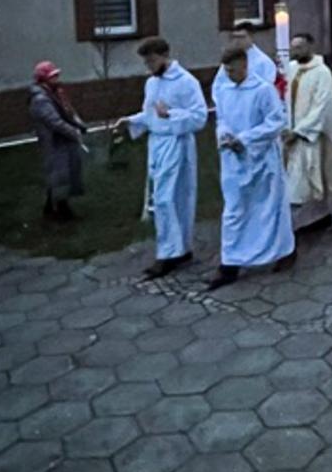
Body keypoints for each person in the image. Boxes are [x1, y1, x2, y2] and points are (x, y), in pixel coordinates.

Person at [117, 37, 208, 278]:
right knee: (165, 199)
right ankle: (181, 249)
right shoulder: (151, 84)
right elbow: (150, 114)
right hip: (157, 144)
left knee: (168, 199)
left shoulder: (187, 82)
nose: (148, 66)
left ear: (165, 55)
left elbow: (200, 117)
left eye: (152, 60)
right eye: (146, 62)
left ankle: (168, 254)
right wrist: (132, 121)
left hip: (177, 145)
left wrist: (172, 115)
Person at [208, 45, 296, 290]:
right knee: (234, 211)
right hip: (234, 161)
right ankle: (230, 263)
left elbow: (277, 121)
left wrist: (245, 139)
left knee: (269, 209)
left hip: (262, 159)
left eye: (233, 70)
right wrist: (224, 136)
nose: (229, 74)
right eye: (225, 70)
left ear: (245, 66)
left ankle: (283, 251)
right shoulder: (225, 90)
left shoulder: (263, 90)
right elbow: (222, 118)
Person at [285, 33, 332, 231]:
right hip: (291, 130)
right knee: (303, 178)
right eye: (293, 47)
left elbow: (321, 105)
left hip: (311, 133)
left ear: (310, 47)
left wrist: (300, 131)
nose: (295, 51)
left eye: (299, 47)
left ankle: (296, 224)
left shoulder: (322, 72)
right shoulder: (290, 69)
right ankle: (317, 216)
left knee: (306, 179)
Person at [28, 61, 87, 223]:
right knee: (59, 176)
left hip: (63, 142)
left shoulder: (56, 93)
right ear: (44, 79)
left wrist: (79, 125)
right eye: (53, 77)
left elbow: (69, 112)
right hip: (54, 143)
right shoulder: (41, 99)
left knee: (62, 175)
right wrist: (73, 132)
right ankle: (60, 212)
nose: (57, 79)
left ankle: (54, 209)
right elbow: (54, 122)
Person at [212, 21, 277, 106]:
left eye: (241, 37)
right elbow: (218, 86)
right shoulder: (230, 60)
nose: (237, 41)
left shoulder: (264, 62)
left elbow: (267, 89)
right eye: (234, 37)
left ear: (251, 37)